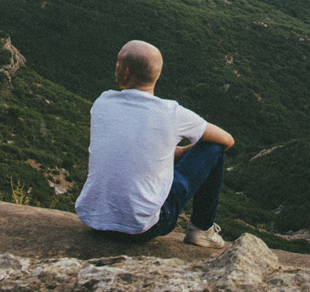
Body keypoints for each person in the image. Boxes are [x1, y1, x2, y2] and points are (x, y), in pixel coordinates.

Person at [74, 40, 235, 248]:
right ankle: (202, 229)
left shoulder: (102, 103)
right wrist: (189, 153)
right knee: (214, 148)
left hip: (93, 220)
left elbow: (131, 145)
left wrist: (172, 152)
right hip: (140, 229)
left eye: (118, 63)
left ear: (126, 73)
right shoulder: (171, 113)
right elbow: (227, 140)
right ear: (156, 75)